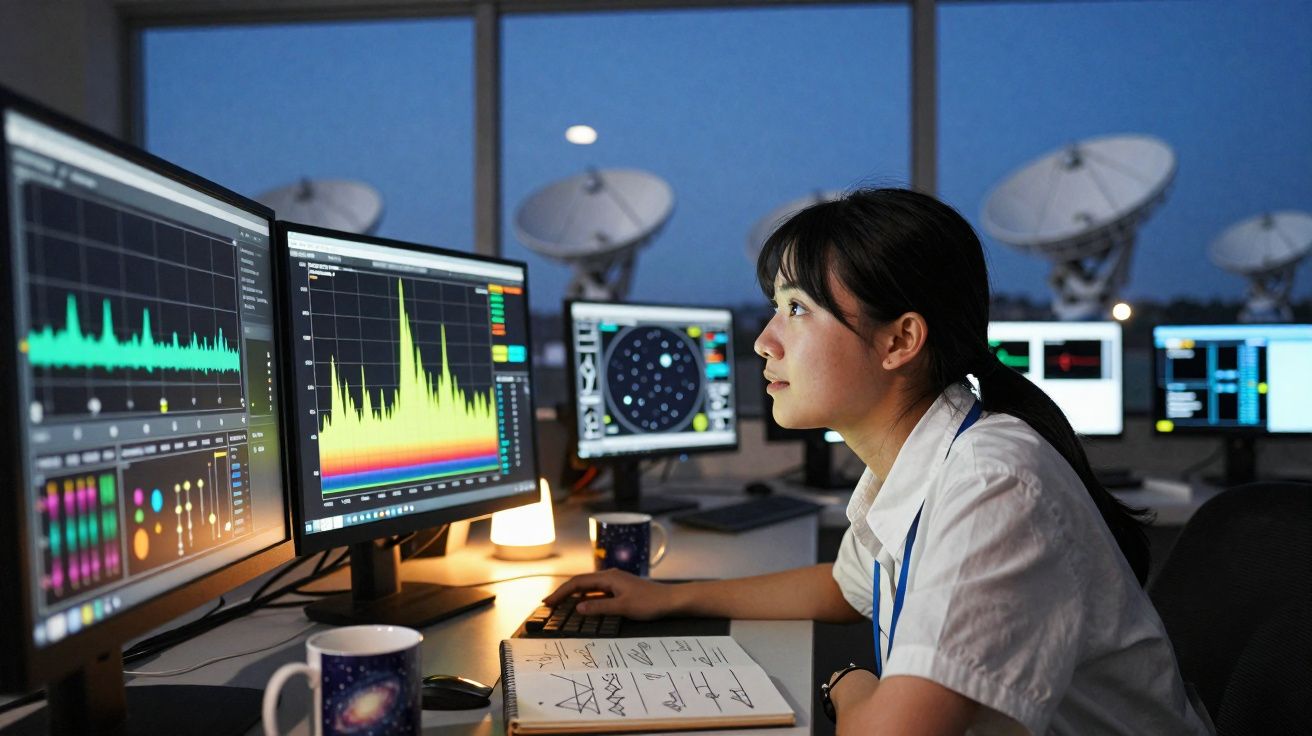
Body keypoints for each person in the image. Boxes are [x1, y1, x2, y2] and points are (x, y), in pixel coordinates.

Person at [545, 188, 1209, 735]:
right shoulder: (922, 451)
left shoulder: (991, 483)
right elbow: (846, 586)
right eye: (775, 310)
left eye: (797, 310)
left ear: (900, 340)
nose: (765, 342)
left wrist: (851, 686)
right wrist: (671, 597)